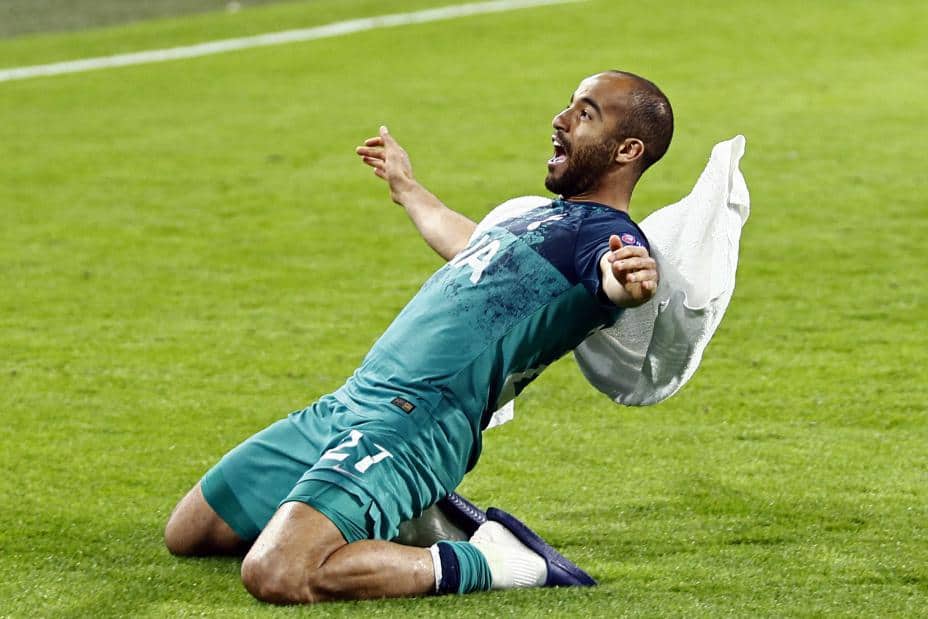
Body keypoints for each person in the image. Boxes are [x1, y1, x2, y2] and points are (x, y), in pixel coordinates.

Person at [164, 70, 673, 604]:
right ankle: (408, 515)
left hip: (414, 423)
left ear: (627, 150)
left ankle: (500, 561)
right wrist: (407, 188)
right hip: (351, 402)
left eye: (585, 114)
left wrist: (630, 284)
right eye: (569, 105)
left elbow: (615, 280)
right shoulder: (543, 218)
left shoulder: (606, 235)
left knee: (278, 571)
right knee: (192, 532)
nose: (561, 119)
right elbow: (469, 247)